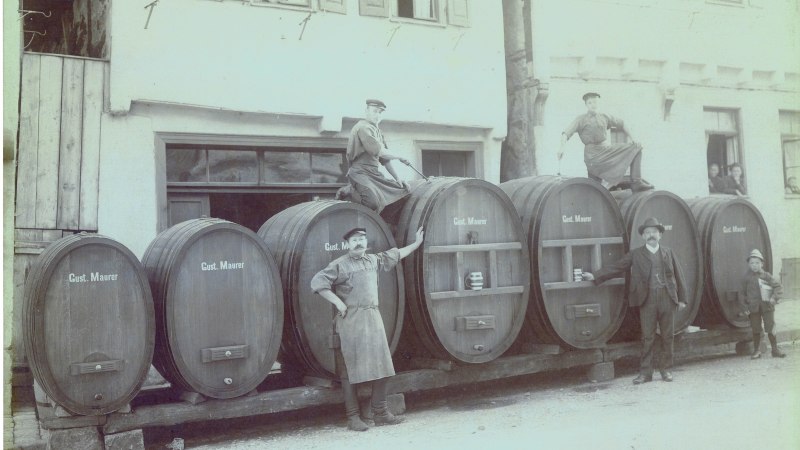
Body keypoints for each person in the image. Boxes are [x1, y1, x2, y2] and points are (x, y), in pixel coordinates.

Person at [311, 226, 425, 431]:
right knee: (350, 371)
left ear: (366, 243)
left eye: (362, 239)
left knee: (384, 367)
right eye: (354, 240)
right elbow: (317, 282)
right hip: (352, 321)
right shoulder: (339, 265)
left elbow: (396, 254)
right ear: (347, 244)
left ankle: (380, 412)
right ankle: (353, 418)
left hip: (373, 318)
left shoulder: (373, 260)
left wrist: (416, 244)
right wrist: (338, 303)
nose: (358, 243)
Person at [582, 217, 687, 384]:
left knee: (668, 336)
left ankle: (666, 371)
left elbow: (679, 276)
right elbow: (618, 267)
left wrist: (682, 299)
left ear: (660, 235)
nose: (651, 235)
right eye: (647, 232)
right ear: (643, 236)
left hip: (667, 298)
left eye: (654, 232)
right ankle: (646, 374)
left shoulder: (668, 252)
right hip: (647, 299)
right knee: (647, 337)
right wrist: (595, 275)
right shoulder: (636, 254)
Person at [558, 92, 653, 192]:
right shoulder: (580, 119)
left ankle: (636, 182)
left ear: (598, 103)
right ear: (586, 105)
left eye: (595, 102)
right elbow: (566, 133)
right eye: (589, 103)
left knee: (637, 148)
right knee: (595, 188)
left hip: (607, 151)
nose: (593, 105)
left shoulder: (604, 116)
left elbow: (622, 123)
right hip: (592, 156)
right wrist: (561, 147)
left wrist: (634, 138)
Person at [338, 99, 410, 213]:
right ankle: (350, 192)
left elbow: (385, 160)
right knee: (373, 202)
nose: (377, 115)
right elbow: (379, 151)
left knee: (403, 191)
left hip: (374, 174)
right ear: (366, 111)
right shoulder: (363, 127)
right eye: (374, 111)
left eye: (380, 112)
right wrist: (399, 156)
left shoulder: (378, 132)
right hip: (359, 172)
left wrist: (397, 179)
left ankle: (383, 224)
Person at [738, 249, 785, 359]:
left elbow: (778, 287)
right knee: (756, 329)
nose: (754, 265)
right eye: (752, 263)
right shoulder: (746, 278)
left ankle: (775, 349)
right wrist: (745, 307)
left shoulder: (767, 276)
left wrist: (774, 298)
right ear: (749, 264)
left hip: (767, 307)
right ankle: (756, 351)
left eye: (757, 263)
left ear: (762, 264)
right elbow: (741, 294)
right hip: (753, 308)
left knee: (771, 327)